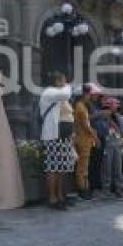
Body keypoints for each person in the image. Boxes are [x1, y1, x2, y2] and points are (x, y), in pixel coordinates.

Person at [38, 72, 76, 210]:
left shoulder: (60, 95)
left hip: (64, 136)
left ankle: (61, 196)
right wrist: (67, 86)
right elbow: (66, 93)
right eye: (64, 81)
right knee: (53, 167)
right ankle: (52, 198)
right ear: (57, 81)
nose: (66, 83)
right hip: (54, 135)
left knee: (62, 168)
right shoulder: (50, 92)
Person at [73, 84, 99, 199]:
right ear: (85, 94)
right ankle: (82, 190)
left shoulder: (81, 106)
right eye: (89, 94)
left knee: (83, 166)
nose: (90, 97)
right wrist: (95, 136)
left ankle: (84, 188)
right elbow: (86, 126)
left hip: (83, 139)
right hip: (83, 139)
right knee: (82, 167)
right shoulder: (81, 107)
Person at [101, 97, 123, 198]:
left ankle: (119, 189)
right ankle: (106, 190)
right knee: (107, 167)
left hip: (117, 143)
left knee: (118, 168)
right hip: (107, 144)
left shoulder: (118, 116)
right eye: (115, 104)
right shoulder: (103, 116)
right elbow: (102, 129)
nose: (116, 106)